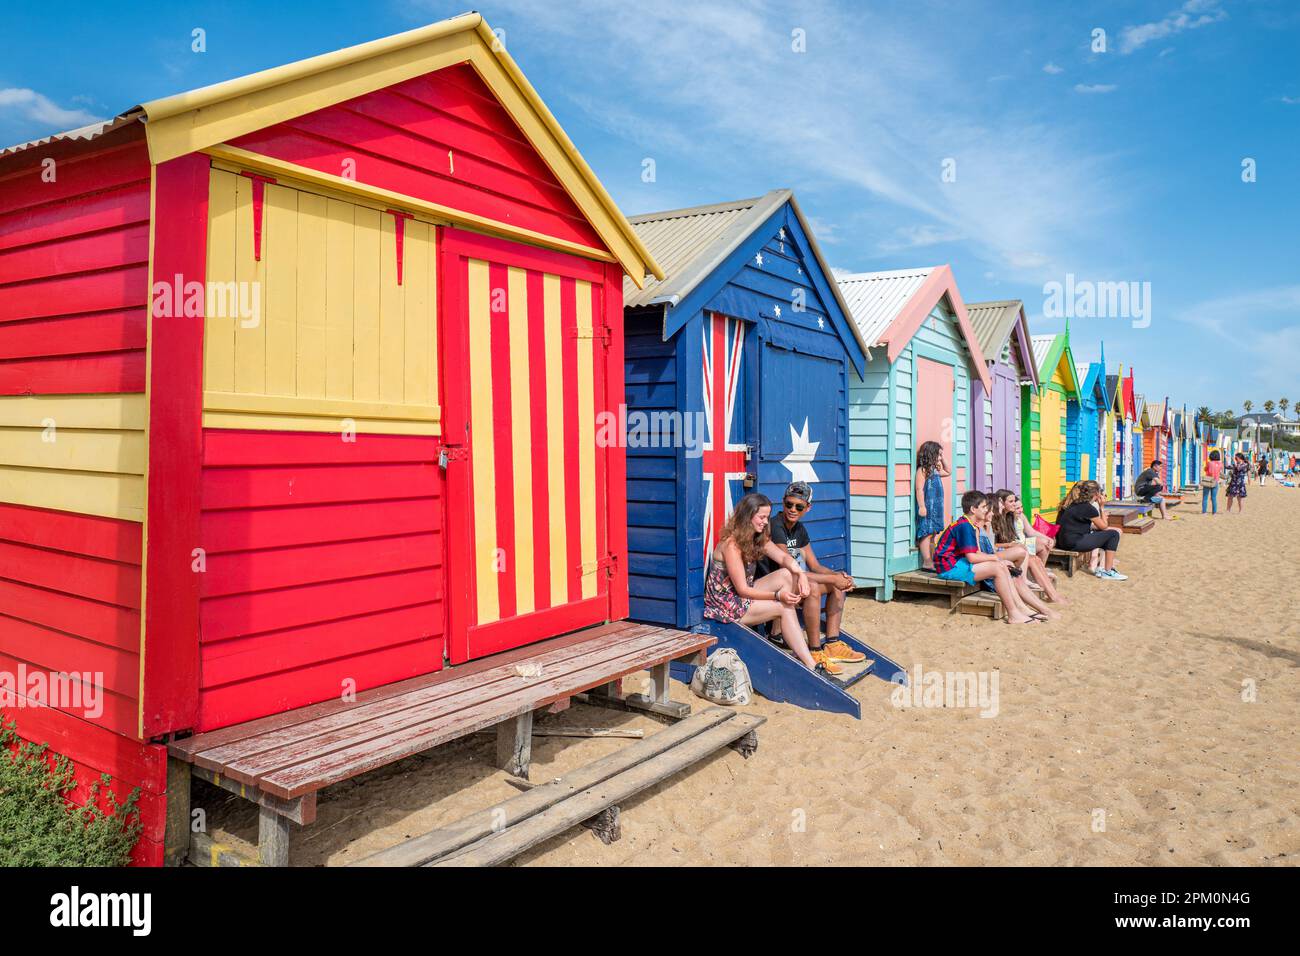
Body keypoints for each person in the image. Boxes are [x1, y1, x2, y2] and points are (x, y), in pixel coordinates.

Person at [704, 492, 844, 675]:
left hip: (739, 597)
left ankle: (780, 633)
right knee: (783, 607)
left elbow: (784, 558)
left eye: (767, 517)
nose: (765, 522)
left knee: (787, 574)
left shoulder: (756, 537)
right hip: (726, 606)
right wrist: (778, 596)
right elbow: (743, 590)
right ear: (748, 516)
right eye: (761, 517)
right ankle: (811, 664)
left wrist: (800, 574)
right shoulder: (731, 545)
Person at [758, 481, 864, 666]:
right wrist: (833, 578)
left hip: (794, 582)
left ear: (808, 508)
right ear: (782, 503)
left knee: (836, 584)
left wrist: (839, 577)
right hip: (776, 586)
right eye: (788, 504)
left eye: (799, 506)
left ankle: (832, 643)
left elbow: (814, 565)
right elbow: (789, 569)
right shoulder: (776, 526)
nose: (792, 509)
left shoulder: (799, 529)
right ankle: (815, 650)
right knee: (814, 587)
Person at [932, 491, 1046, 625]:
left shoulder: (970, 524)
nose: (987, 510)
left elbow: (978, 553)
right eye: (984, 507)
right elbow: (972, 558)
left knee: (1002, 565)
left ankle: (1020, 608)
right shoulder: (965, 526)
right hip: (948, 568)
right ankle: (1014, 613)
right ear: (973, 509)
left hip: (957, 563)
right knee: (998, 568)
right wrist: (995, 559)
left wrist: (998, 559)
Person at [990, 489, 1069, 604]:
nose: (1014, 504)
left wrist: (1047, 539)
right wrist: (1010, 544)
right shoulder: (995, 519)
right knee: (1032, 560)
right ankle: (1051, 595)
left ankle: (1053, 594)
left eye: (1014, 501)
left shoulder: (1009, 517)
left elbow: (1029, 531)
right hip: (1003, 552)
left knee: (1035, 559)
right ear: (1001, 503)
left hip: (1011, 550)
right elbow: (994, 545)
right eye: (1010, 501)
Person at [1055, 480, 1127, 580]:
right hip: (1074, 543)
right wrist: (1102, 507)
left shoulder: (1074, 504)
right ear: (1096, 494)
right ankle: (1108, 571)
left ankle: (1102, 566)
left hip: (1063, 542)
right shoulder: (1088, 508)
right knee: (1113, 534)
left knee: (1104, 535)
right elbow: (1104, 527)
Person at [914, 440, 950, 570]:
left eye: (941, 455)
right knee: (926, 532)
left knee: (933, 533)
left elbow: (949, 471)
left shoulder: (935, 470)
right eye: (938, 455)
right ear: (930, 455)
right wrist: (922, 506)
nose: (940, 458)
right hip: (928, 506)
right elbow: (919, 489)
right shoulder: (923, 470)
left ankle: (932, 558)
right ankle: (927, 561)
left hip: (937, 506)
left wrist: (942, 458)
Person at [1201, 449, 1223, 515]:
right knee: (1213, 498)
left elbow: (1205, 469)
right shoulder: (1220, 464)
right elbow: (1220, 471)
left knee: (1205, 497)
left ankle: (1204, 512)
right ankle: (1214, 512)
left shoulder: (1209, 463)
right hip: (1215, 481)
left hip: (1208, 481)